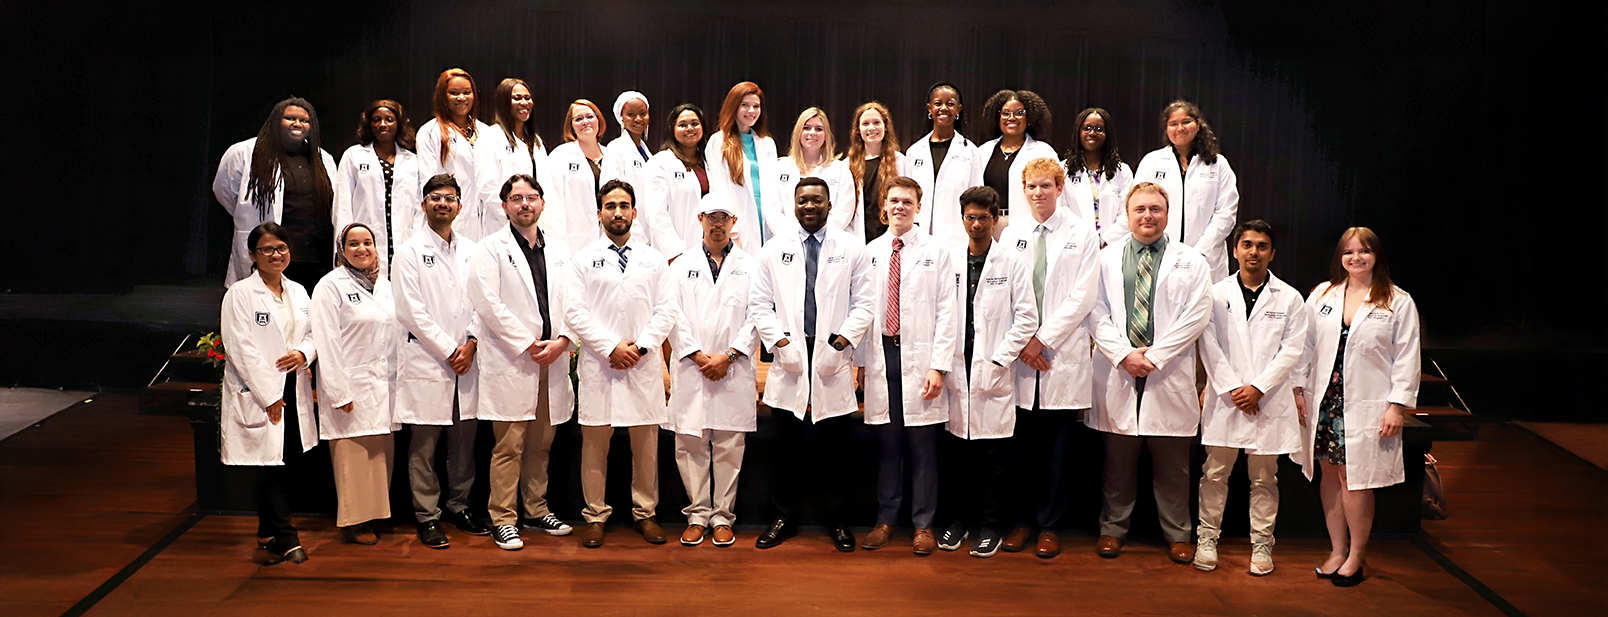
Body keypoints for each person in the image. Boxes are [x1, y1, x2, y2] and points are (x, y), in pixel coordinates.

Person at [1086, 182, 1213, 564]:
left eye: (1155, 209)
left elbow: (1197, 315)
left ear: (1167, 213)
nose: (1147, 216)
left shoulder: (1191, 260)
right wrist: (1124, 354)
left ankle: (1178, 534)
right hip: (1120, 368)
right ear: (1127, 215)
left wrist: (1155, 357)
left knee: (1173, 465)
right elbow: (1096, 310)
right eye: (1139, 209)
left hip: (1166, 371)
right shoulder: (1106, 258)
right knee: (1117, 463)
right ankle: (1112, 529)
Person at [749, 177, 876, 551]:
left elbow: (865, 303)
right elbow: (759, 304)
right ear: (794, 204)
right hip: (790, 355)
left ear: (829, 205)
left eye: (816, 200)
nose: (809, 206)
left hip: (831, 356)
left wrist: (841, 342)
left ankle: (837, 522)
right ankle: (783, 518)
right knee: (784, 449)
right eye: (803, 200)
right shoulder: (773, 250)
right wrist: (779, 342)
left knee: (836, 450)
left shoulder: (852, 248)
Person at [994, 157, 1101, 558]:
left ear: (1059, 187)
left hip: (1060, 354)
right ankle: (1020, 522)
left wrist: (1044, 339)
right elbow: (1001, 294)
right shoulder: (1012, 235)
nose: (1038, 193)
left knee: (1058, 454)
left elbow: (1083, 296)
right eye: (1031, 187)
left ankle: (1050, 526)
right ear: (1023, 191)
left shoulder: (1081, 233)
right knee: (1020, 451)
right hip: (1021, 356)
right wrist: (1023, 343)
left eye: (1045, 185)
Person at [466, 174, 577, 551]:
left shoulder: (560, 251)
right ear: (505, 207)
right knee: (509, 444)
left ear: (542, 203)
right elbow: (487, 304)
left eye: (531, 197)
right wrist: (528, 344)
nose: (524, 204)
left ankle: (536, 508)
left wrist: (564, 340)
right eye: (516, 198)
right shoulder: (489, 249)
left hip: (553, 356)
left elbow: (575, 302)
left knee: (541, 442)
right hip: (514, 358)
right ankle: (503, 517)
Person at [1304, 227, 1420, 587]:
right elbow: (1304, 347)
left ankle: (1356, 554)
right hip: (1325, 401)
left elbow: (1407, 357)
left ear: (1377, 256)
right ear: (1340, 257)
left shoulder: (1397, 301)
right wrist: (1296, 390)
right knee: (1328, 476)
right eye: (1349, 252)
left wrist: (1397, 406)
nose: (1356, 258)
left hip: (1367, 404)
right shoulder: (1323, 294)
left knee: (1354, 480)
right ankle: (1337, 550)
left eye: (1364, 251)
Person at [565, 179, 676, 549]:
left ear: (634, 212)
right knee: (595, 446)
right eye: (610, 206)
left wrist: (640, 349)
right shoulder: (582, 260)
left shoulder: (655, 260)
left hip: (641, 366)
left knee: (646, 446)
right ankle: (595, 516)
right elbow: (575, 312)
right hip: (601, 365)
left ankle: (646, 513)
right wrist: (611, 347)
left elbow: (667, 311)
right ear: (599, 213)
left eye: (624, 205)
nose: (617, 212)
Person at [1195, 220, 1311, 575]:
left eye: (1262, 246)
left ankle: (1262, 544)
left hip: (1268, 400)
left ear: (1272, 253)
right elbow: (1208, 344)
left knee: (1264, 478)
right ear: (1235, 250)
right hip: (1227, 398)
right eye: (1247, 244)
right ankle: (1207, 538)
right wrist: (1233, 388)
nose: (1254, 252)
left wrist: (1258, 388)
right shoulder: (1215, 294)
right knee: (1214, 474)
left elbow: (1292, 350)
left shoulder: (1290, 298)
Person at [857, 176, 957, 555]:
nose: (899, 207)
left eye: (907, 201)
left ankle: (923, 524)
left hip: (921, 358)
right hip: (882, 354)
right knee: (888, 442)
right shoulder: (871, 251)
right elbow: (863, 312)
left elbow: (948, 311)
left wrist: (938, 366)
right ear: (884, 205)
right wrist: (863, 362)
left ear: (919, 206)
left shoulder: (937, 251)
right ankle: (885, 520)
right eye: (894, 200)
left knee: (923, 445)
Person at [937, 187, 1038, 558]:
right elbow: (943, 313)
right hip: (957, 370)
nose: (976, 224)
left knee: (992, 459)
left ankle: (990, 527)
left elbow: (1027, 316)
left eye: (983, 217)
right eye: (970, 217)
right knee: (958, 455)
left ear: (995, 220)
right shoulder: (950, 259)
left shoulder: (1010, 262)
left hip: (992, 371)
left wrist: (999, 359)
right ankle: (959, 522)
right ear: (962, 219)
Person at [393, 174, 486, 549]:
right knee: (425, 444)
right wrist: (451, 350)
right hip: (431, 359)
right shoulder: (410, 251)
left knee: (464, 441)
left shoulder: (473, 250)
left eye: (449, 198)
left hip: (468, 359)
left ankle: (459, 506)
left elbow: (485, 301)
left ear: (460, 207)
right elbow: (410, 311)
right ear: (423, 204)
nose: (442, 204)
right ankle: (427, 516)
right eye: (435, 197)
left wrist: (473, 342)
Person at [662, 192, 759, 547]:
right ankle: (697, 514)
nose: (717, 223)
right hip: (693, 367)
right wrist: (697, 355)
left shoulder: (751, 266)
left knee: (729, 445)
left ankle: (722, 516)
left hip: (732, 368)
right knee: (690, 444)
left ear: (734, 223)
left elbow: (758, 315)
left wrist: (730, 356)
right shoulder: (679, 265)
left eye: (724, 217)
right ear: (700, 219)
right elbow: (671, 314)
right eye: (711, 216)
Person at [219, 222, 319, 564]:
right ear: (252, 255)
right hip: (260, 389)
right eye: (267, 249)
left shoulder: (299, 292)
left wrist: (304, 353)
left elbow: (313, 332)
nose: (276, 255)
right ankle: (287, 538)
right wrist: (268, 396)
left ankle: (267, 531)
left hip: (293, 383)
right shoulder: (240, 294)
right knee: (269, 465)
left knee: (280, 461)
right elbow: (240, 347)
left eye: (281, 248)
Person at [308, 223, 396, 546]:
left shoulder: (384, 285)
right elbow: (326, 342)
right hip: (350, 386)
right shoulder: (330, 286)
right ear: (342, 249)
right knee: (353, 456)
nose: (362, 249)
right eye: (354, 243)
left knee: (379, 456)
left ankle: (375, 515)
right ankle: (353, 523)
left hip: (382, 388)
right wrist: (338, 390)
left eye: (368, 242)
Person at [213, 97, 339, 289]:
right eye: (290, 118)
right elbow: (224, 191)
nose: (298, 124)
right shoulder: (245, 151)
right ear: (276, 120)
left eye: (305, 120)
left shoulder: (324, 158)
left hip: (314, 255)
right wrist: (247, 215)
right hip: (272, 251)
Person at [1122, 100, 1240, 280]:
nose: (1180, 128)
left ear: (1198, 124)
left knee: (1204, 306)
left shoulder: (1218, 164)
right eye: (1173, 124)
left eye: (1186, 122)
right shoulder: (1152, 162)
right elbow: (1137, 204)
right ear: (1166, 129)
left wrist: (1200, 252)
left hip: (1206, 257)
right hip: (1159, 253)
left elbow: (1226, 212)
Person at [335, 99, 425, 277]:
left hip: (404, 241)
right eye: (376, 119)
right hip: (364, 243)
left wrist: (416, 239)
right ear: (369, 123)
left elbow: (419, 207)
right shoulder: (354, 156)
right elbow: (342, 205)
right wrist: (344, 245)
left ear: (399, 123)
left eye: (389, 119)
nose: (382, 124)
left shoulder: (413, 161)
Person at [417, 68, 494, 241]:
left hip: (488, 222)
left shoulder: (486, 132)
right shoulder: (430, 132)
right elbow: (429, 183)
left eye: (467, 92)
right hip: (452, 220)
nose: (461, 98)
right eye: (454, 93)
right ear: (443, 96)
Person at [705, 81, 781, 249]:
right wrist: (732, 232)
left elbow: (775, 188)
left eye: (756, 106)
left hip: (768, 222)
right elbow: (719, 189)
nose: (751, 111)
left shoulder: (767, 143)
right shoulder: (719, 141)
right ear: (733, 107)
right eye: (745, 105)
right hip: (739, 225)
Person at [974, 90, 1057, 234]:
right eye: (1006, 113)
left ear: (1029, 117)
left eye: (1019, 112)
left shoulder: (1043, 151)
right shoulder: (983, 151)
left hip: (1027, 224)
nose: (1011, 118)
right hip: (988, 224)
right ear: (997, 117)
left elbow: (1056, 191)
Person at [904, 83, 977, 246]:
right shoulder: (914, 152)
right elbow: (907, 196)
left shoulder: (970, 152)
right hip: (917, 235)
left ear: (958, 109)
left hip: (956, 237)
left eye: (950, 104)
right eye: (938, 103)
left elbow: (976, 199)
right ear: (929, 109)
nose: (944, 108)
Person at [476, 78, 550, 240]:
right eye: (517, 98)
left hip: (533, 225)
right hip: (503, 225)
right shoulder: (490, 136)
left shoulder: (536, 141)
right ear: (504, 103)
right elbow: (487, 187)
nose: (524, 102)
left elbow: (545, 185)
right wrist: (514, 218)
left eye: (527, 98)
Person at [541, 99, 617, 251]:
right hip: (573, 242)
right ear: (571, 126)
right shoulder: (560, 156)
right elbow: (551, 204)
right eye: (578, 119)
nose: (585, 122)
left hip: (611, 238)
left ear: (598, 120)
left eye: (590, 117)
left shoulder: (613, 156)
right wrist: (557, 247)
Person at [772, 107, 852, 241]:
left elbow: (844, 210)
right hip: (787, 241)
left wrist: (820, 235)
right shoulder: (780, 167)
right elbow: (772, 210)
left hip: (829, 241)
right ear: (798, 132)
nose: (812, 133)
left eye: (819, 129)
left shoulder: (840, 169)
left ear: (826, 135)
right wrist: (793, 236)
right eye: (806, 128)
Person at [639, 103, 706, 259]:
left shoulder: (708, 162)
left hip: (709, 250)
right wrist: (675, 253)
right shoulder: (660, 163)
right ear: (672, 129)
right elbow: (656, 214)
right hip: (675, 254)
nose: (690, 128)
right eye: (682, 125)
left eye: (695, 124)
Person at [1058, 107, 1132, 247]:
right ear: (1078, 132)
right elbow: (1062, 210)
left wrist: (1106, 241)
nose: (1092, 133)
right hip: (1075, 243)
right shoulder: (1063, 170)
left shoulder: (1122, 171)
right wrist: (1086, 240)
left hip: (1112, 246)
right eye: (1087, 128)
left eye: (1099, 129)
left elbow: (1127, 212)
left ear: (1107, 134)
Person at [836, 101, 906, 243]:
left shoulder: (900, 161)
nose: (871, 128)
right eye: (865, 123)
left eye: (876, 123)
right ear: (858, 129)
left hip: (892, 238)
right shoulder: (847, 166)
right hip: (858, 238)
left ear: (885, 127)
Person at [605, 91, 654, 193]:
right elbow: (611, 191)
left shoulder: (646, 152)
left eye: (642, 113)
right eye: (631, 114)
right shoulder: (615, 148)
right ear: (621, 118)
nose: (638, 119)